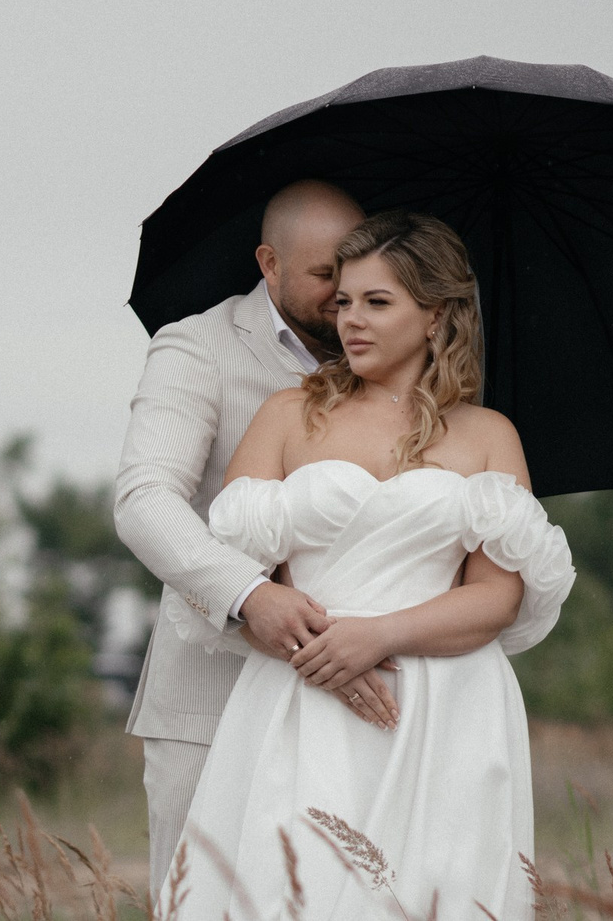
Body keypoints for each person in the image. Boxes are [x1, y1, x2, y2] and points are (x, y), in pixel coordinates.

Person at [159, 211, 576, 920]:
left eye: (377, 302)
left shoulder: (487, 435)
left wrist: (378, 635)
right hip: (305, 695)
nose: (350, 319)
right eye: (345, 300)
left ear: (436, 315)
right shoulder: (288, 415)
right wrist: (326, 652)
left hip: (447, 707)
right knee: (292, 889)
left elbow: (495, 599)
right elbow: (232, 577)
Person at [115, 179, 389, 892]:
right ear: (269, 263)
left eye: (357, 270)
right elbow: (144, 500)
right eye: (325, 274)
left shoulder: (388, 357)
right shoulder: (197, 347)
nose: (346, 294)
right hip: (212, 696)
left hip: (356, 696)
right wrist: (249, 596)